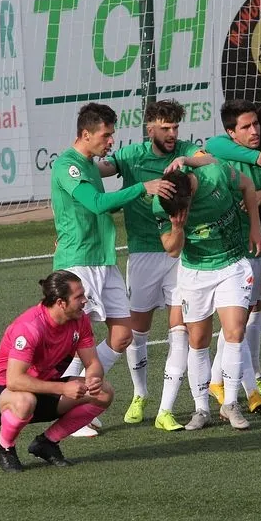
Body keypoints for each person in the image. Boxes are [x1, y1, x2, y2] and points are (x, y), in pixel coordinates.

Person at [51, 102, 175, 436]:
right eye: (106, 135)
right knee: (80, 339)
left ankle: (82, 394)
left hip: (103, 260)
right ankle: (70, 408)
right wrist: (142, 188)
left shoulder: (90, 164)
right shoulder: (69, 166)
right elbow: (97, 203)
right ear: (85, 134)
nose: (111, 142)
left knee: (123, 335)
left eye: (112, 135)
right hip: (78, 263)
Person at [97, 99, 215, 430]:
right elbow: (99, 169)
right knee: (138, 330)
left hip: (180, 254)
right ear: (150, 127)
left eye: (176, 127)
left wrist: (187, 159)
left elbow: (212, 160)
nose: (172, 133)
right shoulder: (132, 156)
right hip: (145, 253)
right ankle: (140, 393)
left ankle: (165, 410)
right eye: (165, 128)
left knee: (180, 331)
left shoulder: (187, 150)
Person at [156, 164, 261, 430]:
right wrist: (178, 228)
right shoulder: (162, 203)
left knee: (235, 332)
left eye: (185, 209)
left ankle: (230, 404)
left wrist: (255, 226)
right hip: (195, 274)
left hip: (232, 265)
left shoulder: (216, 174)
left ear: (192, 192)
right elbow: (171, 250)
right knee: (198, 340)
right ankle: (201, 408)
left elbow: (248, 186)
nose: (183, 214)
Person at [0, 270, 114, 472]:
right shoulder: (30, 327)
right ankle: (6, 448)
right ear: (61, 302)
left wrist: (94, 378)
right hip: (2, 393)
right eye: (78, 296)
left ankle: (47, 443)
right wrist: (63, 388)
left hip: (43, 389)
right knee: (25, 401)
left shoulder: (80, 320)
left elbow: (93, 362)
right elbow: (15, 381)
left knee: (103, 392)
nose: (85, 301)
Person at [205, 100, 261, 414]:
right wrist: (255, 194)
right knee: (237, 321)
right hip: (231, 250)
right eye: (245, 127)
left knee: (251, 313)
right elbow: (212, 143)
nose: (254, 130)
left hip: (256, 244)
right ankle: (249, 387)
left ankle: (224, 378)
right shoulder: (220, 153)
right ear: (232, 132)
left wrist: (256, 196)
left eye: (256, 124)